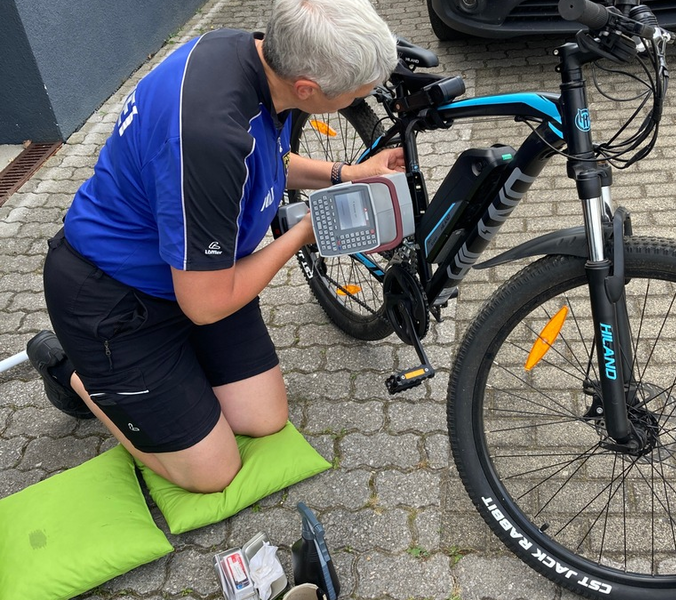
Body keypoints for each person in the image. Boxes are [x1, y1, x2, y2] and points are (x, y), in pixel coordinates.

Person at [27, 0, 403, 493]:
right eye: (358, 94)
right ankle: (72, 370)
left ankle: (172, 379)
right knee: (212, 474)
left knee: (263, 419)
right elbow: (205, 306)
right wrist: (301, 234)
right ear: (307, 88)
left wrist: (348, 173)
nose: (363, 98)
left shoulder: (247, 53)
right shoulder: (210, 137)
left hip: (198, 273)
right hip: (115, 299)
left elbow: (265, 156)